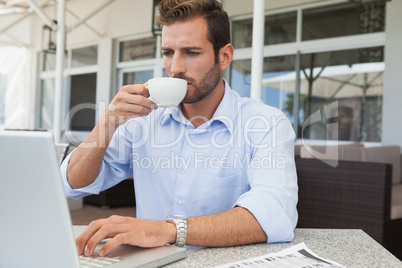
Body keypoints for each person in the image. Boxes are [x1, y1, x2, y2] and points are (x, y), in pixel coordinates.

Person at [61, 0, 298, 257]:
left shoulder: (265, 123)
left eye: (191, 52)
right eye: (168, 53)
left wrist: (167, 230)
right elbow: (73, 184)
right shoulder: (142, 120)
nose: (175, 68)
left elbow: (274, 213)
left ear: (225, 56)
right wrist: (107, 123)